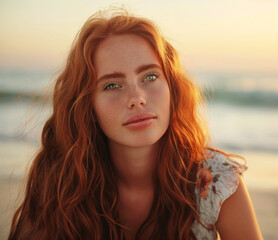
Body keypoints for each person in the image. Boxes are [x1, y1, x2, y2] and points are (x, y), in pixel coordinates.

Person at [9, 8, 262, 240]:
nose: (137, 99)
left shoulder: (217, 182)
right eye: (111, 85)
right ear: (88, 105)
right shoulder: (62, 178)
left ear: (172, 87)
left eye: (150, 76)